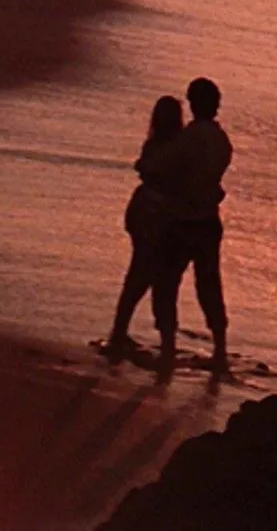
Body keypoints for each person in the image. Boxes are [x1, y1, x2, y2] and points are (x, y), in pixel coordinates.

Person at [148, 77, 234, 367]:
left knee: (166, 282)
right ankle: (220, 349)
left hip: (182, 220)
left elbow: (161, 169)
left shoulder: (188, 139)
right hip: (209, 221)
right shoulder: (222, 140)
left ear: (194, 103)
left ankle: (168, 347)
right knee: (209, 285)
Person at [101, 95, 185, 362]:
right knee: (162, 282)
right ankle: (166, 343)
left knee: (139, 276)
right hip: (162, 218)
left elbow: (147, 169)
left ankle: (121, 332)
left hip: (146, 213)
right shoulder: (179, 147)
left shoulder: (155, 145)